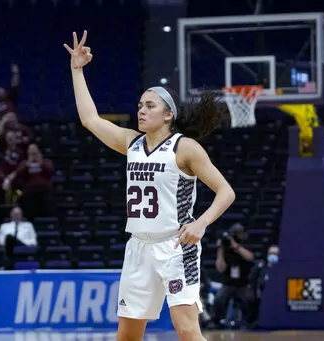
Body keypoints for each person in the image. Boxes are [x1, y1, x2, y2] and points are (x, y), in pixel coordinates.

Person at [64, 31, 236, 341]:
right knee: (127, 335)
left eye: (150, 106)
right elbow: (90, 119)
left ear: (168, 114)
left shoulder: (185, 148)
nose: (141, 110)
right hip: (138, 247)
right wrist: (77, 70)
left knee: (186, 329)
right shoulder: (131, 143)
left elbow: (226, 191)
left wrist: (201, 222)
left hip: (175, 247)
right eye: (140, 105)